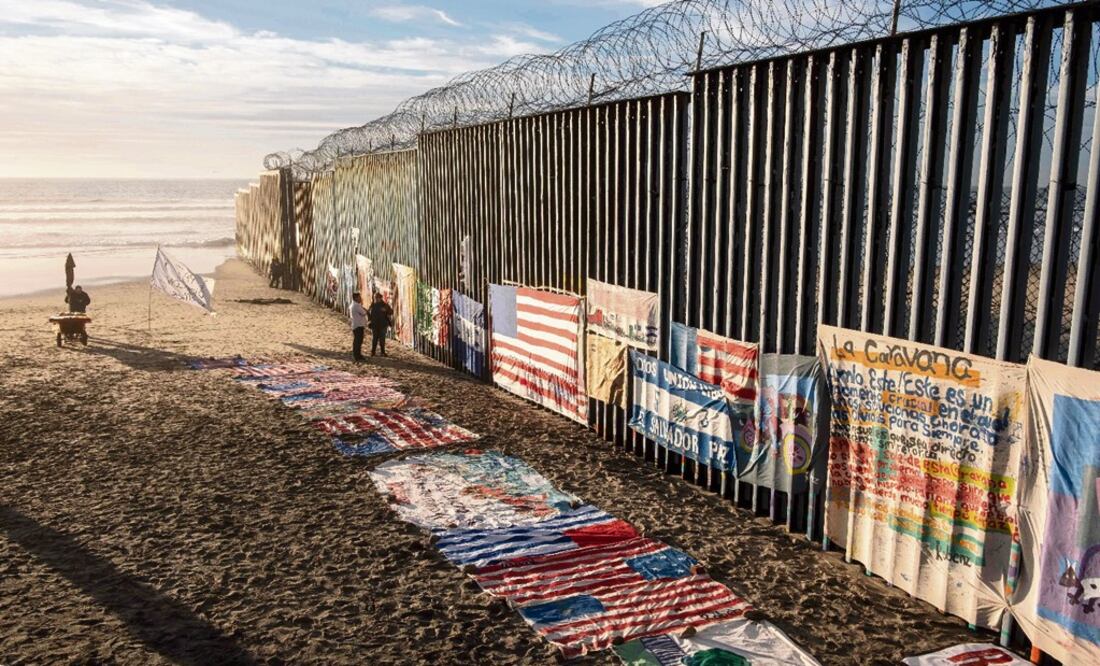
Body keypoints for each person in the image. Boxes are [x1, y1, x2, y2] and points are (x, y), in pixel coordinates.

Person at [367, 292, 394, 357]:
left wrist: (386, 310)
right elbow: (368, 313)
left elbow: (391, 312)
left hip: (383, 325)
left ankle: (382, 352)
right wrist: (370, 320)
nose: (376, 299)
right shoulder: (372, 305)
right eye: (375, 298)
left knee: (382, 339)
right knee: (374, 339)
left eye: (377, 297)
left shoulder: (385, 305)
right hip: (374, 325)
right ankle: (373, 352)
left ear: (380, 298)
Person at [350, 292, 368, 363]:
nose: (361, 298)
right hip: (358, 325)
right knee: (358, 341)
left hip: (357, 325)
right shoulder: (356, 306)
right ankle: (357, 355)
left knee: (358, 341)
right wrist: (365, 310)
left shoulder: (354, 305)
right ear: (356, 298)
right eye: (359, 297)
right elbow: (364, 313)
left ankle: (358, 354)